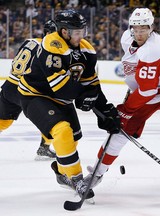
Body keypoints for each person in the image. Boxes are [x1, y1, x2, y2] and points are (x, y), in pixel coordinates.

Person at [87, 8, 160, 201]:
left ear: (151, 28)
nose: (139, 33)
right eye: (135, 28)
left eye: (143, 28)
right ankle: (96, 173)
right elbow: (144, 85)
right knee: (119, 131)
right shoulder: (126, 38)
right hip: (147, 90)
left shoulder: (152, 50)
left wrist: (125, 109)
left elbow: (148, 90)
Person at [18, 9, 120, 199]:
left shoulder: (86, 49)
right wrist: (85, 97)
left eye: (83, 31)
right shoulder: (52, 43)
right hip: (35, 95)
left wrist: (105, 110)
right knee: (62, 131)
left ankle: (61, 171)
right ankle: (76, 179)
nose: (81, 36)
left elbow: (91, 83)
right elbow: (61, 87)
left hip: (61, 99)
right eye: (76, 32)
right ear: (64, 31)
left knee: (72, 138)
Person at [0, 19, 57, 161]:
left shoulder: (30, 41)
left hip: (9, 86)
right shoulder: (49, 48)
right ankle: (44, 148)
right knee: (54, 118)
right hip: (26, 90)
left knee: (3, 122)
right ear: (49, 33)